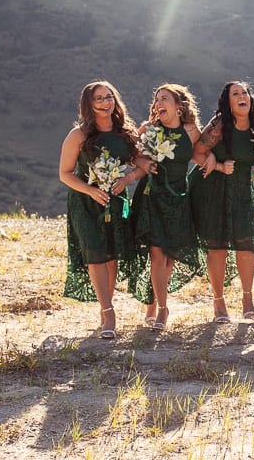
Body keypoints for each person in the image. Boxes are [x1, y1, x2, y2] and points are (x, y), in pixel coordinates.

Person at [58, 80, 146, 339]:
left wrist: (127, 179)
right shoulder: (78, 135)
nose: (106, 103)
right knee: (95, 253)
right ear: (89, 104)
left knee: (112, 254)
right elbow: (65, 173)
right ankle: (108, 311)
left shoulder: (125, 133)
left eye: (109, 97)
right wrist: (91, 190)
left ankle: (107, 304)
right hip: (86, 202)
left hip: (117, 201)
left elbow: (141, 164)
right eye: (99, 99)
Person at [191, 81, 254, 322]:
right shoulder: (220, 125)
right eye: (236, 94)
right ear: (229, 101)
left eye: (245, 92)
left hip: (242, 190)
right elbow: (197, 152)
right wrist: (218, 162)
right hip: (213, 187)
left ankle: (247, 298)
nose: (242, 96)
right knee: (218, 246)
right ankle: (219, 302)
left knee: (246, 245)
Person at [130, 84, 203, 330]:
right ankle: (163, 308)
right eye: (156, 99)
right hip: (152, 197)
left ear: (178, 106)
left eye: (164, 98)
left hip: (179, 199)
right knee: (157, 254)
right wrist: (140, 160)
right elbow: (130, 154)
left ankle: (153, 302)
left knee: (170, 256)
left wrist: (215, 161)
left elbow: (202, 154)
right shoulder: (149, 130)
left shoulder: (191, 131)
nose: (158, 103)